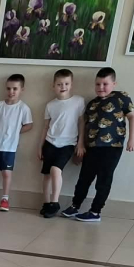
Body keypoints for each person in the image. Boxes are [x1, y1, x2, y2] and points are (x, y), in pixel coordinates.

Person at [62, 67, 134, 223]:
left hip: (112, 147)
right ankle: (75, 205)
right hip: (92, 147)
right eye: (98, 84)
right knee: (84, 178)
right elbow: (84, 125)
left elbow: (132, 116)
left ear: (114, 84)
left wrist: (132, 138)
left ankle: (95, 211)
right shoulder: (92, 104)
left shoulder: (121, 97)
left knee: (104, 179)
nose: (101, 87)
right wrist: (80, 145)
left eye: (105, 84)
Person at [0, 74, 34, 212]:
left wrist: (15, 132)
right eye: (8, 88)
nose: (11, 91)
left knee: (6, 173)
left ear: (22, 89)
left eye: (15, 89)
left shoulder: (23, 108)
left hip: (9, 148)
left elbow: (29, 125)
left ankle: (5, 199)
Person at [39, 69, 85, 217]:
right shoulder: (50, 105)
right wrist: (40, 146)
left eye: (66, 83)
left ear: (71, 84)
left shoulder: (78, 101)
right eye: (59, 84)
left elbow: (81, 123)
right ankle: (46, 203)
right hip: (50, 142)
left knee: (55, 170)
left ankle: (54, 202)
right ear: (53, 86)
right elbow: (45, 127)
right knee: (46, 174)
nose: (63, 87)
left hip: (68, 144)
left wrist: (80, 143)